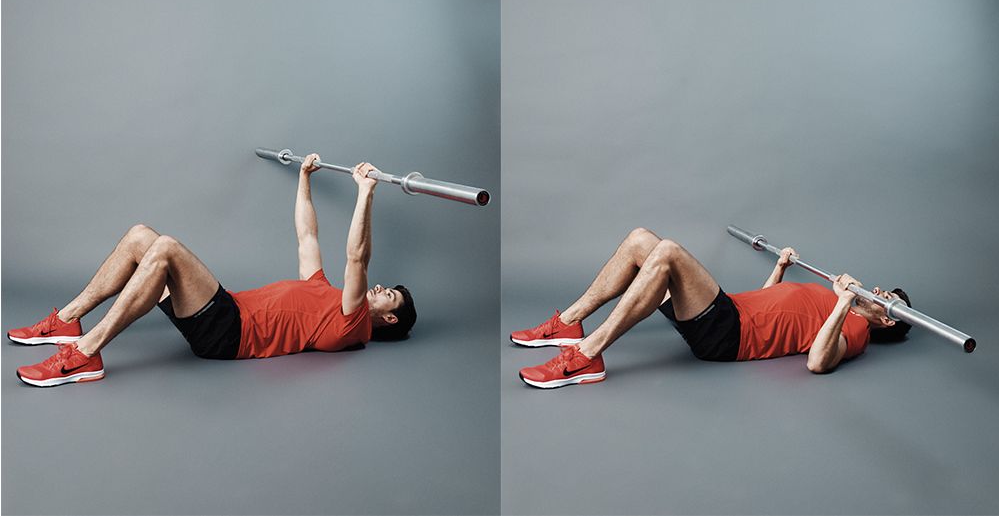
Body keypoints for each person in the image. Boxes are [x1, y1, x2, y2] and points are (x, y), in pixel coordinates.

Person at [9, 155, 417, 387]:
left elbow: (357, 258)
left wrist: (366, 193)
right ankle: (66, 321)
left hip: (229, 332)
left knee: (166, 247)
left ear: (389, 317)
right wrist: (304, 179)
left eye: (389, 295)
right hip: (223, 313)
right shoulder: (324, 292)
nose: (379, 288)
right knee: (140, 237)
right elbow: (307, 237)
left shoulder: (353, 323)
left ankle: (85, 354)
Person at [512, 227, 910, 389]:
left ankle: (587, 356)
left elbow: (819, 362)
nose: (877, 291)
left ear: (889, 322)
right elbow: (769, 305)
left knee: (667, 252)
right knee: (640, 240)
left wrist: (843, 302)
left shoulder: (857, 332)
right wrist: (779, 268)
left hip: (727, 334)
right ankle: (567, 323)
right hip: (731, 312)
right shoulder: (841, 305)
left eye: (886, 298)